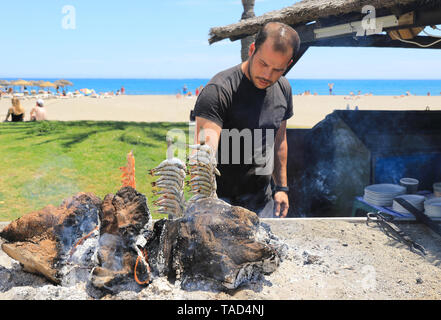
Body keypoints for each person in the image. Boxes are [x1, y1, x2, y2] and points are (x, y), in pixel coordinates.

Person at [193, 22, 300, 218]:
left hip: (262, 203)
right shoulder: (219, 91)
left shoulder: (284, 89)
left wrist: (282, 188)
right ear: (252, 50)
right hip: (220, 205)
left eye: (278, 69)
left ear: (288, 64)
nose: (267, 75)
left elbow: (279, 142)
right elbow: (203, 155)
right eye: (263, 64)